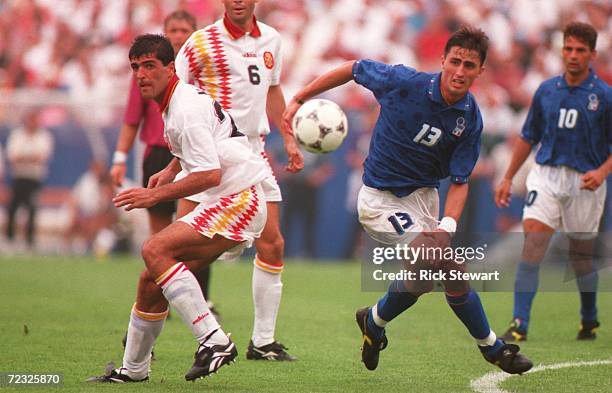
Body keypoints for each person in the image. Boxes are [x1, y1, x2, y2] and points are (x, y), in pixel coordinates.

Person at [283, 26, 532, 374]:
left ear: (480, 71)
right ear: (443, 60)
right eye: (455, 61)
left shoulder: (470, 118)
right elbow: (354, 68)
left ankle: (374, 320)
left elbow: (460, 182)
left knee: (421, 280)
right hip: (380, 200)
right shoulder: (405, 82)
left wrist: (447, 225)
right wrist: (299, 98)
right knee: (450, 266)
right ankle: (494, 348)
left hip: (425, 199)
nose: (460, 71)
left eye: (469, 65)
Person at [91, 34, 270, 383]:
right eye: (135, 67)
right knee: (150, 280)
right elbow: (209, 139)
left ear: (170, 68)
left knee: (153, 248)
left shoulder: (183, 109)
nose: (141, 74)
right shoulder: (178, 102)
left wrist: (154, 195)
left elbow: (210, 173)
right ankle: (133, 370)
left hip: (238, 200)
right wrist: (172, 168)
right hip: (230, 199)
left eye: (149, 66)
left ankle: (213, 340)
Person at [174, 0, 303, 361]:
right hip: (213, 151)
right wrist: (178, 156)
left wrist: (288, 138)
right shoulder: (202, 43)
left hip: (254, 150)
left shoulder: (272, 40)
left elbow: (273, 90)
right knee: (175, 252)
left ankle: (262, 342)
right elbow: (173, 93)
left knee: (272, 242)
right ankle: (140, 342)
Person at [494, 22, 611, 342]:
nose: (573, 55)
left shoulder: (604, 95)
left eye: (580, 50)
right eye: (568, 49)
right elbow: (528, 136)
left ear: (592, 55)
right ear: (562, 51)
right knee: (532, 244)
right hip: (546, 176)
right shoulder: (547, 90)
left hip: (585, 181)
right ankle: (520, 323)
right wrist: (507, 177)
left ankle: (589, 318)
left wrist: (602, 172)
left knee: (581, 256)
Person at [110, 10, 219, 311]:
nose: (179, 35)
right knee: (159, 239)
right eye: (173, 29)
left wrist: (156, 189)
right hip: (161, 154)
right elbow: (132, 119)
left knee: (187, 233)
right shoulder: (145, 72)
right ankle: (164, 299)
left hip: (195, 158)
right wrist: (120, 157)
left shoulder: (200, 76)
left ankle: (199, 302)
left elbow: (209, 169)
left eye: (185, 29)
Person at [5, 109, 54, 249]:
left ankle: (29, 241)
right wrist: (30, 158)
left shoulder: (44, 136)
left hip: (34, 179)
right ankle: (10, 239)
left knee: (32, 208)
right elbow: (13, 157)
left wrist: (24, 157)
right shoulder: (17, 135)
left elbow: (42, 157)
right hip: (19, 177)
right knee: (13, 207)